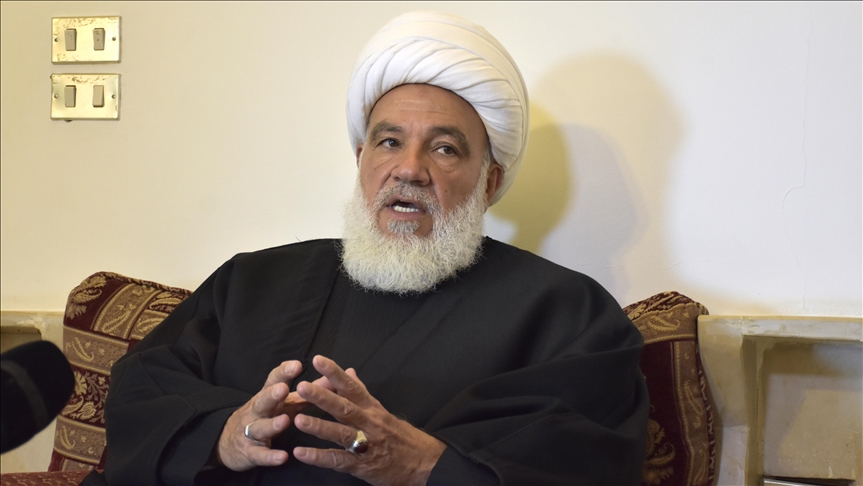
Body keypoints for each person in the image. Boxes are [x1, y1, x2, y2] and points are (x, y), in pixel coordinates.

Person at [86, 11, 648, 486]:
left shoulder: (565, 313)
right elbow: (144, 388)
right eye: (389, 141)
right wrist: (225, 435)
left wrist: (424, 466)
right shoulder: (252, 281)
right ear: (361, 160)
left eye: (445, 149)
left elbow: (587, 459)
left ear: (490, 181)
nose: (409, 169)